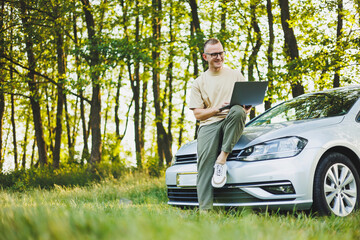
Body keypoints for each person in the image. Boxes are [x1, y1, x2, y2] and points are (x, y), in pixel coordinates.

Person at [188, 38, 251, 211]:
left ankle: (222, 159)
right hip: (209, 124)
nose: (218, 57)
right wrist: (216, 109)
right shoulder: (199, 82)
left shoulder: (236, 75)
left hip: (232, 119)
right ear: (205, 57)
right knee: (204, 166)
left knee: (238, 110)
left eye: (221, 53)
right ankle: (206, 212)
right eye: (214, 54)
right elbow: (198, 114)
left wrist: (247, 105)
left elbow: (245, 109)